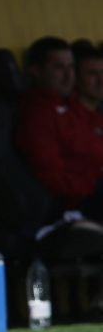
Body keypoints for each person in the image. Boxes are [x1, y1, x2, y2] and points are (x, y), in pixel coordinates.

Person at [16, 36, 103, 219]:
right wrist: (94, 182)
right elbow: (53, 176)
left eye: (71, 67)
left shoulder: (72, 104)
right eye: (59, 68)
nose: (68, 75)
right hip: (80, 203)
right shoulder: (38, 114)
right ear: (36, 71)